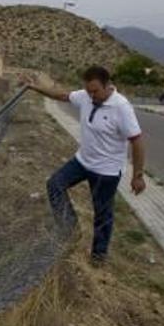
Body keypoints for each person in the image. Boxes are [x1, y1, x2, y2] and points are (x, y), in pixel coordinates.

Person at [24, 66, 146, 264]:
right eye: (88, 91)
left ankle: (98, 256)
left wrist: (138, 175)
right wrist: (35, 87)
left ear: (108, 86)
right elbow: (62, 95)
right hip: (82, 161)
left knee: (102, 214)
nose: (91, 96)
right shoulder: (86, 96)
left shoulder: (122, 108)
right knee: (54, 185)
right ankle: (69, 229)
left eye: (95, 91)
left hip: (106, 171)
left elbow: (137, 141)